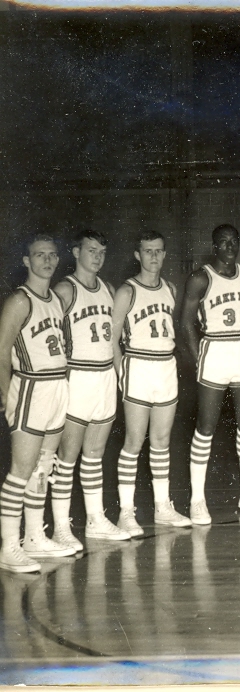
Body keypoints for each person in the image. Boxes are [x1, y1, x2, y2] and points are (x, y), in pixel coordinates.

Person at [179, 223, 240, 524]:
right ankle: (197, 499)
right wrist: (198, 358)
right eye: (223, 242)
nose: (230, 246)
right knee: (206, 426)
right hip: (215, 351)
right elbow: (185, 323)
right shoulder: (200, 278)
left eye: (234, 241)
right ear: (214, 246)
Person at [0, 234, 76, 572]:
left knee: (44, 466)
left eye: (51, 254)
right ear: (26, 261)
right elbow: (2, 350)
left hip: (56, 387)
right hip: (31, 387)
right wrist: (6, 394)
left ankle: (34, 537)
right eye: (39, 255)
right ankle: (8, 547)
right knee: (21, 470)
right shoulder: (19, 300)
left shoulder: (56, 299)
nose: (47, 260)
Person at [110, 231, 191, 536]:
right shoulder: (127, 291)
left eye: (158, 251)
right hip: (138, 366)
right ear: (138, 255)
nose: (153, 256)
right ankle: (125, 512)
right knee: (134, 441)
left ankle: (162, 507)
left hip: (165, 366)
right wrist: (122, 373)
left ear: (165, 254)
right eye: (147, 251)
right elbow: (112, 339)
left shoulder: (170, 288)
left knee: (161, 441)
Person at [53, 230, 130, 543]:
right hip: (77, 377)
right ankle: (61, 527)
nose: (97, 257)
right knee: (67, 455)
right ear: (75, 252)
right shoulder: (64, 290)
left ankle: (96, 519)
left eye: (102, 252)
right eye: (91, 250)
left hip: (104, 377)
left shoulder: (109, 289)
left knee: (95, 454)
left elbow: (115, 340)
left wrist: (120, 375)